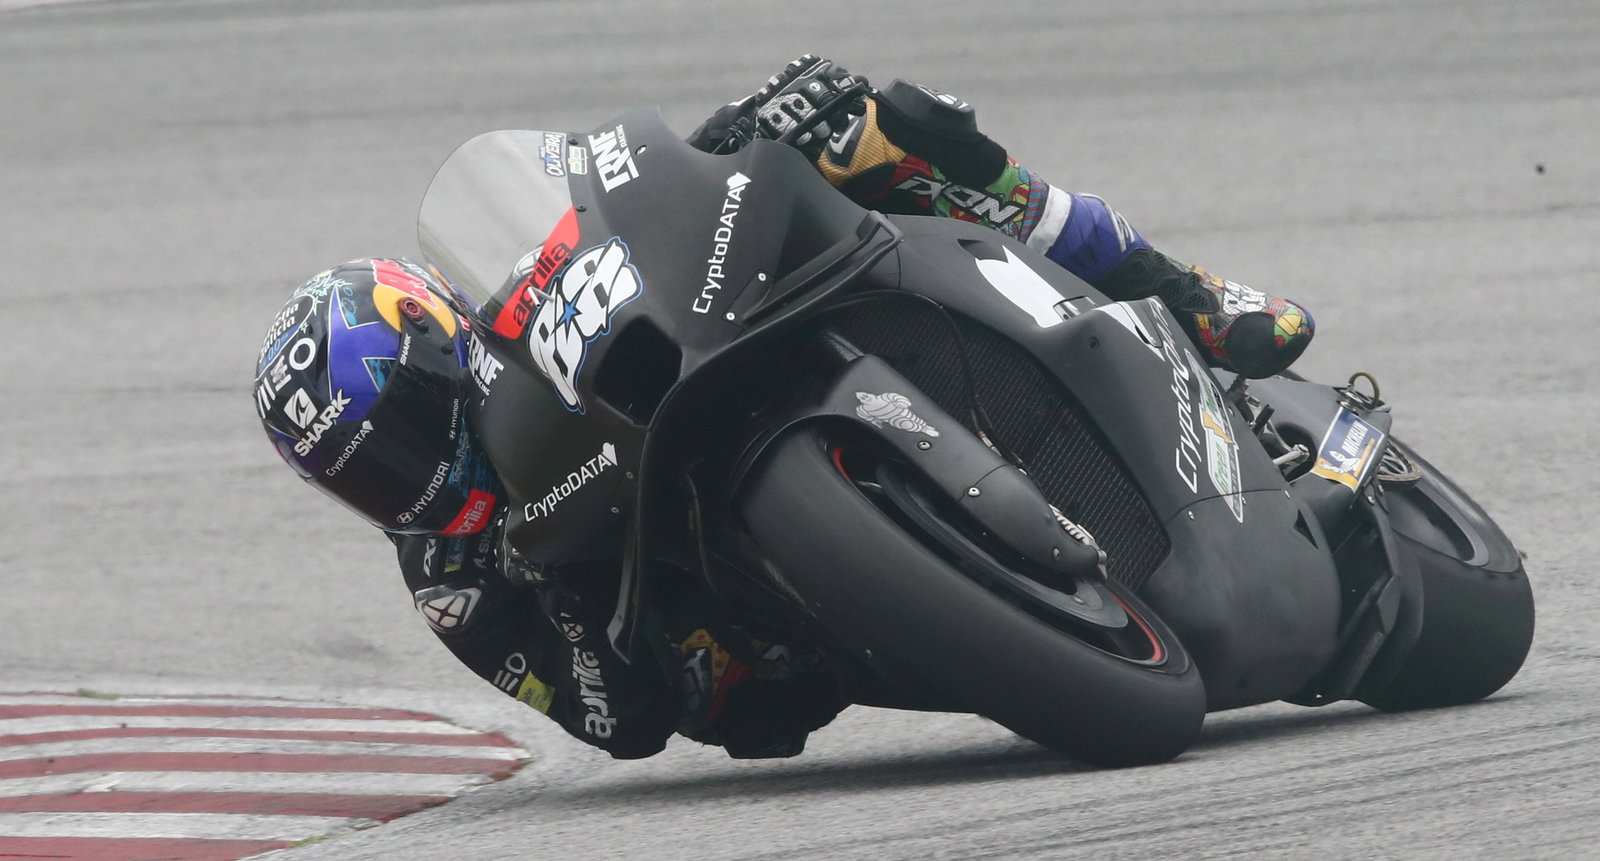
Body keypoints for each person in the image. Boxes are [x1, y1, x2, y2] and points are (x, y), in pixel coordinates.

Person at [252, 56, 1315, 762]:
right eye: (365, 476)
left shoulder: (517, 303)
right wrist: (555, 584)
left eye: (401, 434)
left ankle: (1182, 289)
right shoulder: (450, 575)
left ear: (441, 344)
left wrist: (732, 142)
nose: (410, 478)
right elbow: (612, 720)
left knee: (861, 125)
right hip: (753, 635)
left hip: (709, 355)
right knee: (729, 696)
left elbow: (613, 204)